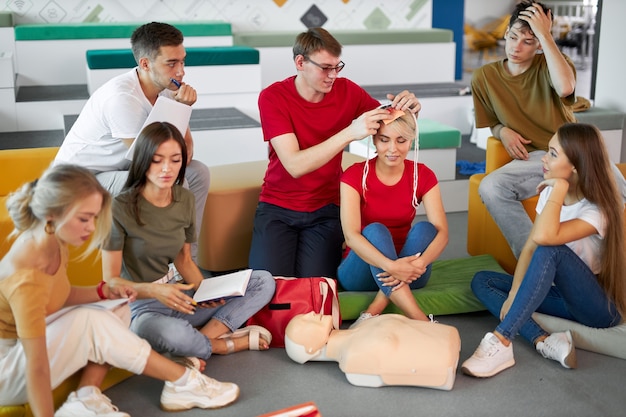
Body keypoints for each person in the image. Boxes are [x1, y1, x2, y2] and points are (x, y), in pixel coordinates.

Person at [0, 164, 239, 417]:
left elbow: (59, 296)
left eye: (94, 217)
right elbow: (37, 369)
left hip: (25, 351)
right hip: (9, 374)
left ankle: (85, 397)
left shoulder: (54, 240)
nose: (91, 228)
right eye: (84, 219)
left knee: (117, 307)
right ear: (52, 214)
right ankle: (181, 381)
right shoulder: (26, 278)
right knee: (90, 320)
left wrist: (104, 293)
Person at [248, 27, 421, 278]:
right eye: (325, 68)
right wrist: (350, 132)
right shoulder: (273, 97)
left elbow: (390, 124)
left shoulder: (348, 91)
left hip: (326, 209)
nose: (332, 75)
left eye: (337, 67)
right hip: (277, 207)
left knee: (319, 286)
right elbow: (295, 165)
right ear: (300, 62)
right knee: (268, 286)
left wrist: (410, 110)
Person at [101, 121, 276, 367]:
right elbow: (111, 282)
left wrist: (207, 291)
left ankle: (198, 342)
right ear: (142, 160)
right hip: (142, 307)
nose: (167, 169)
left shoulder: (183, 198)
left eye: (175, 160)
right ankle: (222, 345)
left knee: (263, 281)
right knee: (171, 334)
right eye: (157, 160)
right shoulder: (119, 208)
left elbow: (183, 259)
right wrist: (155, 291)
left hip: (180, 294)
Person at [462, 123, 625, 378]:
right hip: (561, 295)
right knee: (483, 281)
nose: (544, 159)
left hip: (597, 307)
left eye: (553, 154)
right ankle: (544, 342)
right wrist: (515, 291)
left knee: (552, 250)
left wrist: (558, 189)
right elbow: (530, 246)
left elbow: (546, 239)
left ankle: (502, 340)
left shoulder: (597, 209)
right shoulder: (551, 191)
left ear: (576, 165)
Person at [53, 21, 210, 262]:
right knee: (172, 183)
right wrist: (180, 108)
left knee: (198, 172)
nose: (181, 71)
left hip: (120, 170)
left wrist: (182, 110)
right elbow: (154, 163)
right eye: (171, 63)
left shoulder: (166, 88)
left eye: (182, 60)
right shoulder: (122, 98)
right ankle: (169, 265)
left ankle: (189, 260)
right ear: (145, 63)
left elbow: (185, 154)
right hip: (77, 182)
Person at [337, 112, 448, 324]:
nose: (393, 149)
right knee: (374, 230)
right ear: (374, 140)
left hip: (411, 272)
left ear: (411, 140)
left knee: (427, 228)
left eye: (401, 140)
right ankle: (422, 321)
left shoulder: (423, 175)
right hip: (359, 271)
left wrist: (417, 265)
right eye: (384, 140)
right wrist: (391, 266)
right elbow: (351, 237)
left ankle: (373, 310)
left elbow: (442, 234)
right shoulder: (354, 175)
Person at [284, 312, 461, 390]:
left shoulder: (363, 326)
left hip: (447, 339)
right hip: (444, 362)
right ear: (309, 349)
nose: (310, 314)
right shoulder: (353, 359)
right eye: (305, 322)